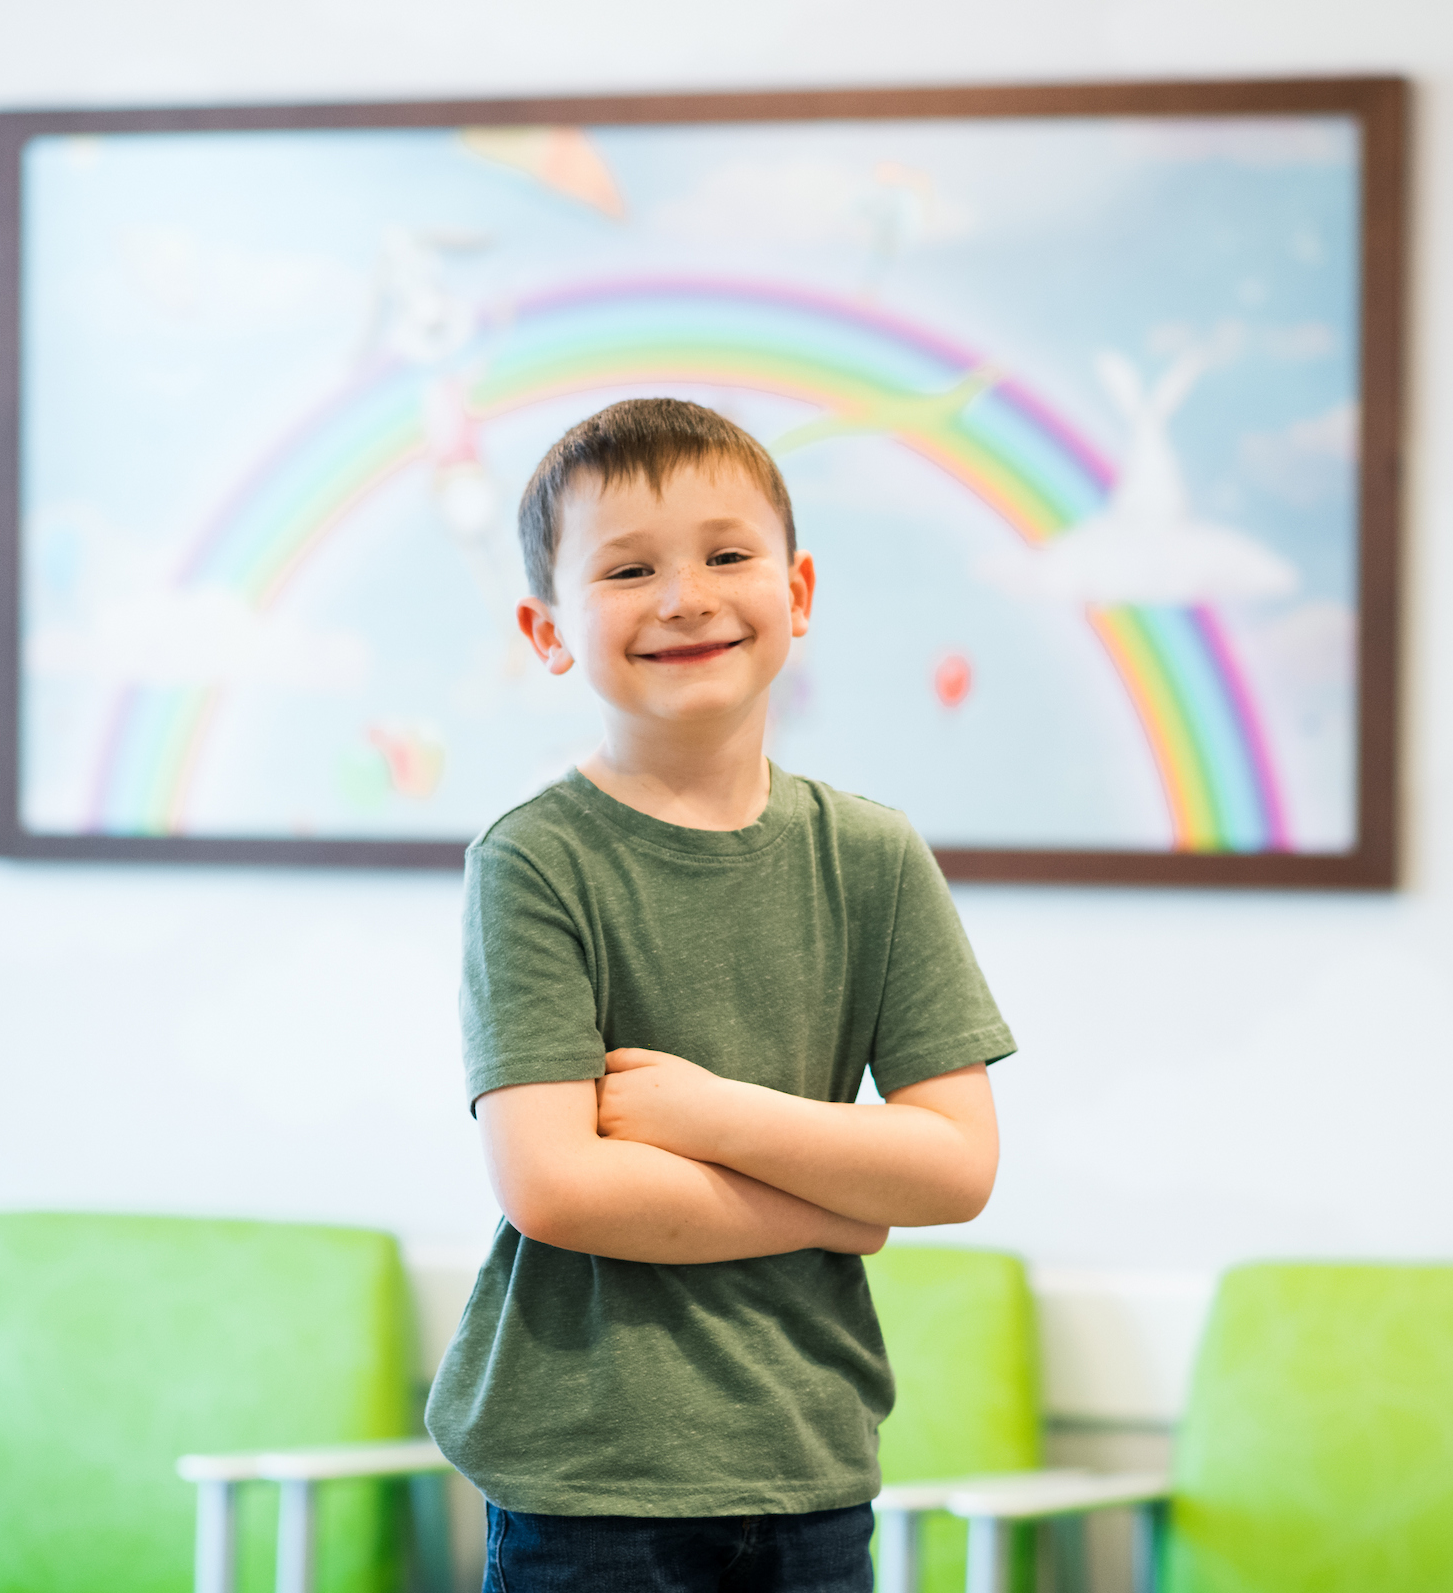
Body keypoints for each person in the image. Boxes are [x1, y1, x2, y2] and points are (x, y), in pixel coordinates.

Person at [424, 398, 1014, 1593]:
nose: (685, 594)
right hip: (587, 1485)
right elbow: (556, 1185)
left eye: (727, 554)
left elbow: (955, 1166)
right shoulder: (534, 860)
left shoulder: (872, 856)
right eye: (629, 568)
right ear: (546, 629)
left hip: (813, 1464)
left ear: (796, 593)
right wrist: (841, 1200)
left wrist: (700, 1113)